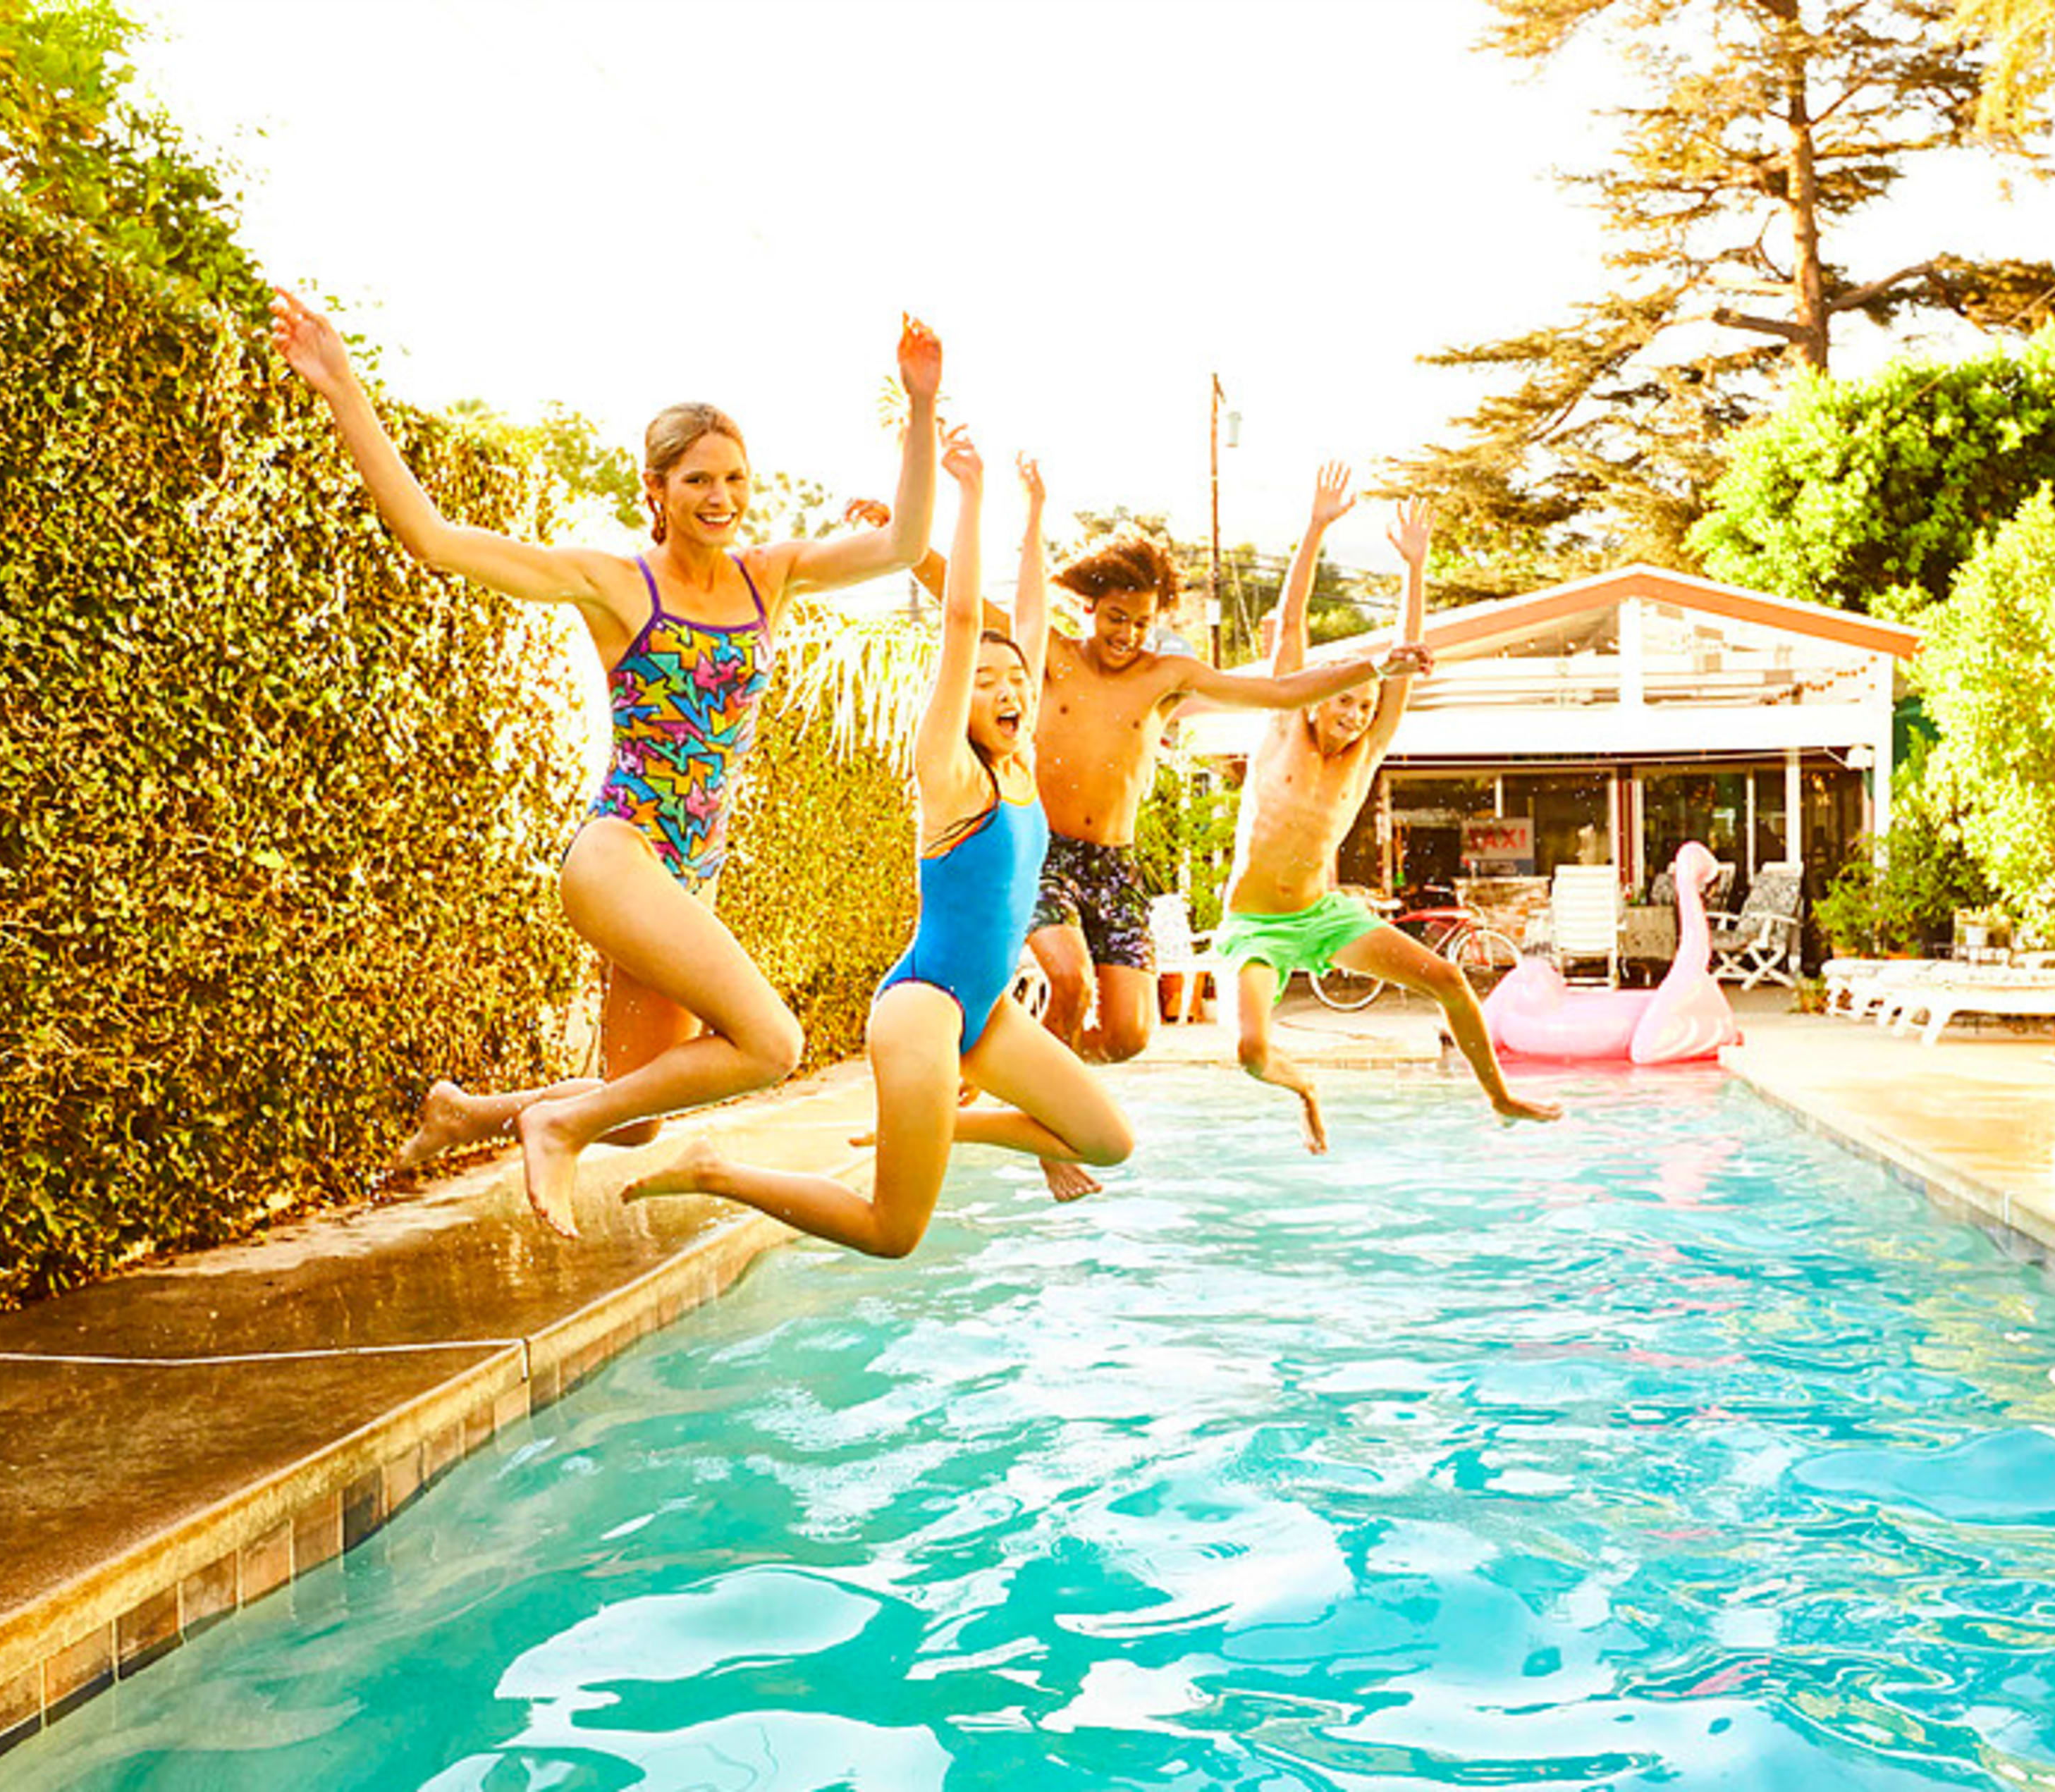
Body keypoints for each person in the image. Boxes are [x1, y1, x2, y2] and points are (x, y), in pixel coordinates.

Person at [268, 290, 943, 1236]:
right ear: (656, 488)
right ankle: (555, 1122)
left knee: (641, 1112)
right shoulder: (615, 583)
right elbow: (437, 541)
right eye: (699, 480)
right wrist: (343, 386)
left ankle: (469, 1113)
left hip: (687, 876)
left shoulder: (770, 575)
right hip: (620, 856)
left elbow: (904, 544)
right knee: (773, 1042)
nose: (722, 499)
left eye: (736, 480)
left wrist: (917, 407)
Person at [621, 431, 1131, 1246]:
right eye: (987, 684)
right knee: (893, 1232)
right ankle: (717, 1172)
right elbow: (965, 618)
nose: (1008, 692)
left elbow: (1028, 622)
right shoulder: (950, 771)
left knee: (1111, 1140)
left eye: (1017, 683)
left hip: (985, 1011)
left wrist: (1036, 515)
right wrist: (969, 501)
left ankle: (947, 1126)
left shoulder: (1022, 758)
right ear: (960, 700)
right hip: (923, 1011)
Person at [1016, 460, 1429, 1064]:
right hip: (1044, 849)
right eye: (1115, 618)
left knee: (1129, 1038)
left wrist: (1377, 667)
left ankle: (1017, 1064)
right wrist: (907, 542)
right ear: (1086, 609)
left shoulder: (1167, 677)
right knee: (1072, 981)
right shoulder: (1051, 656)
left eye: (1142, 622)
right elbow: (965, 604)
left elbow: (1284, 689)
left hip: (1115, 863)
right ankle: (1041, 1116)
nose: (1128, 634)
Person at [1213, 470, 1562, 1152]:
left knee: (1450, 979)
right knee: (1253, 1052)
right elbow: (1289, 627)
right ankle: (1306, 1089)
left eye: (1364, 708)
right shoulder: (1284, 724)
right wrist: (1316, 527)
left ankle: (1500, 1097)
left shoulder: (1364, 758)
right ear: (1318, 697)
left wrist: (1416, 568)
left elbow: (1406, 666)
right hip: (1254, 925)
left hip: (1324, 916)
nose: (1353, 714)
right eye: (1344, 699)